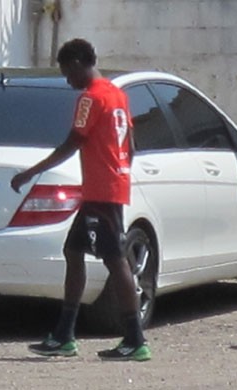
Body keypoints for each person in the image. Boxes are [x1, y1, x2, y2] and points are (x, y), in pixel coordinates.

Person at [10, 38, 150, 362]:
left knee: (116, 260)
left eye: (66, 72)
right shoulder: (118, 95)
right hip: (107, 188)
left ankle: (134, 338)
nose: (67, 80)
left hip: (102, 191)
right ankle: (64, 334)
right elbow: (130, 142)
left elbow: (73, 142)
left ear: (75, 63)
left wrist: (30, 173)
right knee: (73, 250)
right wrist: (120, 168)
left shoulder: (90, 98)